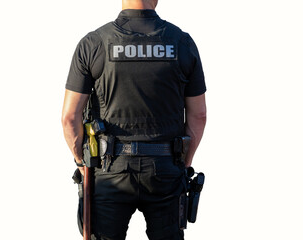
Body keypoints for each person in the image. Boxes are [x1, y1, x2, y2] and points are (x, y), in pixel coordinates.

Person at [62, 0, 206, 239]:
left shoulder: (93, 43)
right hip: (166, 170)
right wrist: (183, 163)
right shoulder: (182, 43)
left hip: (110, 171)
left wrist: (82, 163)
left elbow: (69, 117)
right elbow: (198, 116)